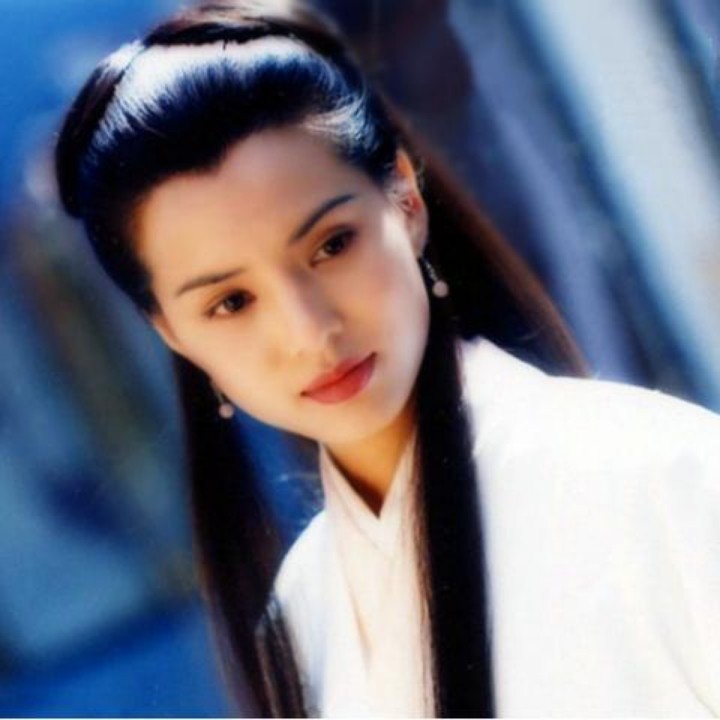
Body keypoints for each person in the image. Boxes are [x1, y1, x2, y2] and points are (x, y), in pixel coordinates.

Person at [54, 0, 720, 716]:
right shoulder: (303, 619)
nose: (310, 331)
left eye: (332, 245)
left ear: (405, 199)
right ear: (171, 333)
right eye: (231, 302)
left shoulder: (659, 479)